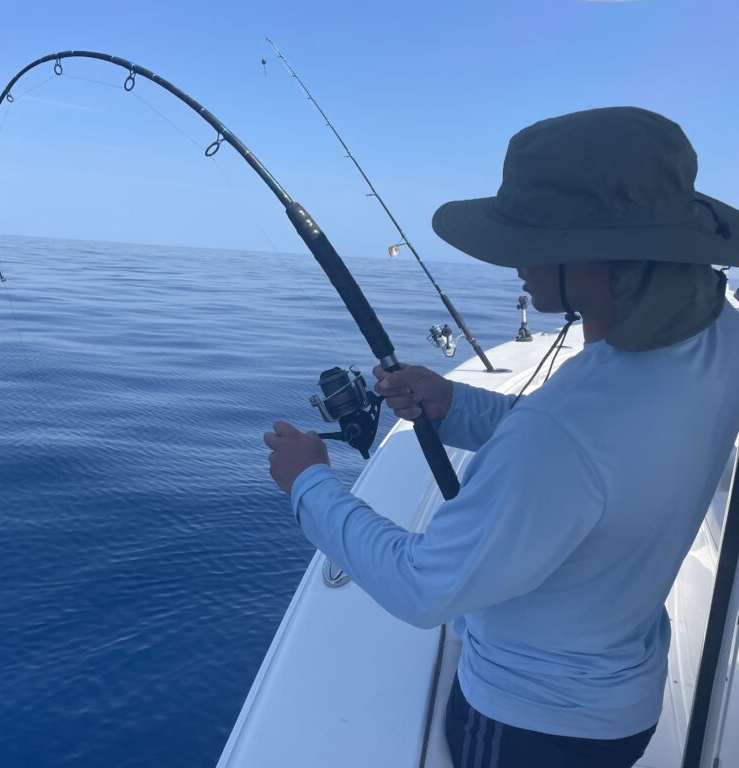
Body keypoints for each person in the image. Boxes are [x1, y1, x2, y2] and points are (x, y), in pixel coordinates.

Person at [263, 106, 739, 768]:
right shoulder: (718, 335)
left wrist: (308, 483)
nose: (512, 262)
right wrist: (455, 405)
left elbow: (424, 586)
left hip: (529, 730)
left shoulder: (563, 433)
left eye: (528, 240)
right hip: (623, 703)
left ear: (593, 253)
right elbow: (605, 457)